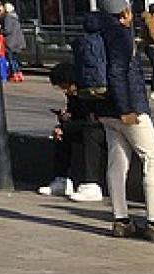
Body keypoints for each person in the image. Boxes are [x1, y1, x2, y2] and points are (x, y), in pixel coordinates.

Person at [84, 0, 154, 241]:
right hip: (127, 109)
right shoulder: (119, 35)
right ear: (125, 12)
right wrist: (126, 110)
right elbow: (118, 73)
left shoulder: (92, 32)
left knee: (117, 163)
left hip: (103, 109)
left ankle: (121, 220)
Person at [37, 60, 107, 201]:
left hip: (101, 129)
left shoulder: (89, 91)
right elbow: (76, 115)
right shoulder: (72, 95)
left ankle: (91, 183)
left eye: (64, 86)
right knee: (62, 136)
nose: (64, 91)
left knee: (89, 134)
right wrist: (65, 120)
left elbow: (92, 121)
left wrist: (66, 127)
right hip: (85, 126)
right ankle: (61, 179)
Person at [1, 3, 27, 82]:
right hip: (17, 41)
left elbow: (7, 30)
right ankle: (19, 74)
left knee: (11, 59)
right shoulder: (15, 17)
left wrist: (0, 30)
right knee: (16, 59)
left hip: (10, 42)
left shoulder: (8, 18)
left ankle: (14, 74)